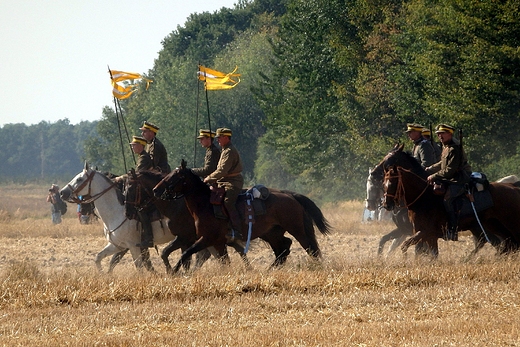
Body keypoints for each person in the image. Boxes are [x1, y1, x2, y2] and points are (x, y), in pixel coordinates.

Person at [426, 124, 472, 241]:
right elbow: (442, 164)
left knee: (447, 199)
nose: (439, 136)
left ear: (450, 134)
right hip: (450, 177)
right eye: (438, 134)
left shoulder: (454, 148)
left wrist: (433, 175)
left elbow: (449, 170)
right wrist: (429, 168)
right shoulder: (445, 146)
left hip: (459, 179)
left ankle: (452, 229)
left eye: (442, 133)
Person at [204, 127, 244, 243]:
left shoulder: (229, 151)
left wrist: (208, 178)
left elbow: (222, 171)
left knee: (227, 201)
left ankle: (237, 230)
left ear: (226, 137)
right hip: (223, 181)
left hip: (233, 182)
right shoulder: (224, 150)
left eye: (219, 138)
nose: (217, 140)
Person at [115, 136, 155, 248]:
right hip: (143, 186)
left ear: (141, 146)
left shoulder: (144, 158)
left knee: (141, 209)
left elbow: (137, 174)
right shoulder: (141, 157)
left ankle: (149, 237)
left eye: (134, 145)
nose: (132, 147)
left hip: (146, 188)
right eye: (132, 145)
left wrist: (121, 178)